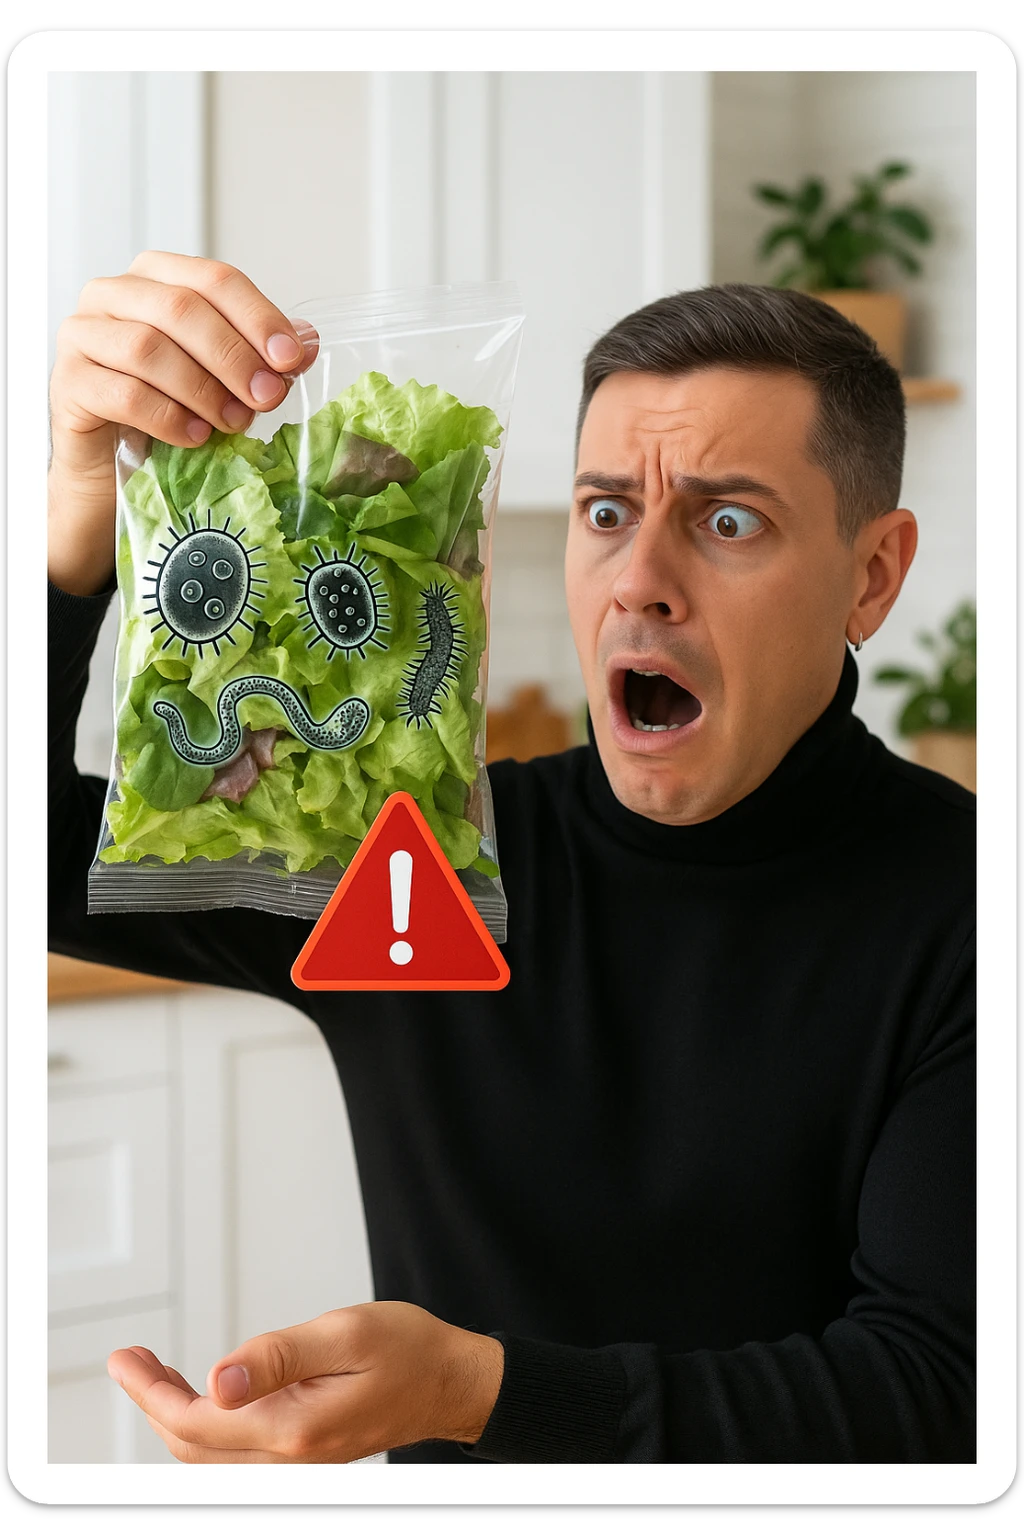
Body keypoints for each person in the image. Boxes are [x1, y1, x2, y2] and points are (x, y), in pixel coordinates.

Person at [48, 253, 975, 1464]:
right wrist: (72, 529)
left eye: (727, 519)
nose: (639, 582)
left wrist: (474, 1395)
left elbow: (937, 1393)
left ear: (872, 573)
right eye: (605, 513)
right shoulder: (419, 860)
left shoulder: (969, 905)